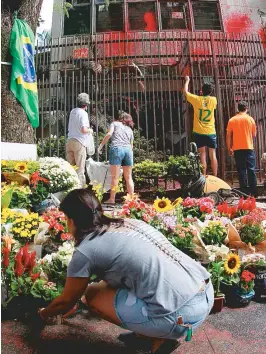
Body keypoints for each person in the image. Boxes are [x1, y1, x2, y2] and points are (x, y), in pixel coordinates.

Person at [37, 189, 214, 354]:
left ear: (72, 221)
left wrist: (43, 314)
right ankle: (153, 331)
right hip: (205, 294)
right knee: (107, 287)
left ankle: (157, 337)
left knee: (92, 295)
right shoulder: (129, 223)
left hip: (180, 316)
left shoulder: (86, 250)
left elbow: (66, 301)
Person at [183, 76, 218, 176]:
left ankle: (204, 176)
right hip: (211, 131)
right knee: (213, 154)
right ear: (211, 92)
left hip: (199, 131)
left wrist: (187, 81)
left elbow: (185, 92)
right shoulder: (214, 100)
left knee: (202, 154)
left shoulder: (197, 99)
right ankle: (215, 176)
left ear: (201, 91)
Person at [98, 112, 134, 204]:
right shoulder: (130, 129)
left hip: (117, 149)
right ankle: (131, 200)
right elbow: (131, 145)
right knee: (129, 177)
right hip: (128, 150)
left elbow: (109, 134)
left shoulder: (114, 124)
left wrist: (101, 146)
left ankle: (112, 199)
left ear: (120, 118)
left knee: (115, 177)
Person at [226, 101, 257, 196]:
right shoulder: (250, 119)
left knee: (241, 170)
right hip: (248, 147)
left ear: (238, 109)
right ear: (246, 108)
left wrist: (229, 148)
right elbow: (254, 135)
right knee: (251, 169)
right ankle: (254, 192)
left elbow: (228, 136)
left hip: (237, 149)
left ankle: (244, 193)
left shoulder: (232, 120)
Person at [66, 93, 93, 187]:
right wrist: (90, 130)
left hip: (70, 140)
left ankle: (70, 188)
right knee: (80, 169)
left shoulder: (73, 111)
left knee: (71, 168)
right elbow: (83, 129)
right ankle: (80, 190)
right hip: (79, 142)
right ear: (86, 104)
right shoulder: (83, 113)